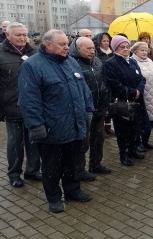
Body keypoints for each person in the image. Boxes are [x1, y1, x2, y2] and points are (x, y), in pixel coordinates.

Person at [17, 29, 95, 213]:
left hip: (75, 125)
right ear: (48, 45)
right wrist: (36, 125)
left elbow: (84, 89)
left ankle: (72, 190)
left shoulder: (71, 62)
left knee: (72, 163)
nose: (66, 47)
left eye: (67, 43)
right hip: (52, 128)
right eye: (62, 44)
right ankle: (53, 198)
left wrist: (88, 110)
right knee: (52, 167)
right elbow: (29, 99)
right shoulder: (33, 65)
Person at [0, 22, 42, 187]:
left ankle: (33, 170)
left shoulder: (35, 53)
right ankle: (14, 174)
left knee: (34, 140)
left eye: (25, 34)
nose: (23, 38)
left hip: (33, 107)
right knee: (15, 143)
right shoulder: (1, 54)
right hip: (12, 106)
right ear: (8, 36)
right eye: (18, 35)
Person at [70, 37, 112, 178]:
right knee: (83, 141)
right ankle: (79, 170)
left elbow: (104, 81)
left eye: (93, 48)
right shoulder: (72, 63)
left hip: (99, 106)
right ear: (78, 48)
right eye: (88, 49)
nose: (92, 51)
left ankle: (96, 164)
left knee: (98, 137)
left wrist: (106, 100)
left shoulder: (97, 61)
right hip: (84, 109)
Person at [102, 35, 146, 166]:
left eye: (127, 46)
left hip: (137, 100)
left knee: (135, 127)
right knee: (122, 130)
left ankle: (132, 150)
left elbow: (142, 78)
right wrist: (132, 92)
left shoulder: (132, 61)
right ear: (115, 48)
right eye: (122, 47)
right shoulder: (111, 64)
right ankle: (123, 154)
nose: (126, 49)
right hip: (122, 102)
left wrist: (139, 89)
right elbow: (114, 84)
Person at [130, 41, 153, 150]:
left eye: (145, 50)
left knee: (149, 122)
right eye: (141, 50)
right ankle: (137, 143)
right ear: (135, 51)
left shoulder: (149, 61)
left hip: (152, 95)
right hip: (142, 96)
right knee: (140, 122)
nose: (144, 52)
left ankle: (145, 141)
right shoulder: (133, 62)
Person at [92, 32, 115, 136]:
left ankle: (108, 126)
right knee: (103, 107)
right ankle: (101, 129)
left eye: (107, 41)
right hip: (102, 82)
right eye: (103, 41)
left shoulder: (112, 53)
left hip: (111, 82)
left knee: (110, 106)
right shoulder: (96, 53)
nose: (106, 43)